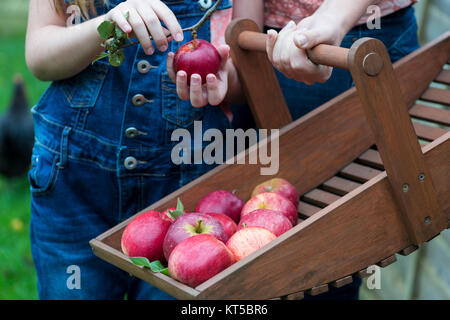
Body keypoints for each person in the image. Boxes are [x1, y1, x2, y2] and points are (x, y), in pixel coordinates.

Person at [168, 0, 421, 299]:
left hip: (359, 33)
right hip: (272, 43)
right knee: (261, 273)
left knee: (329, 257)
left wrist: (331, 18)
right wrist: (237, 69)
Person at [25, 0, 236, 300]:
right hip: (75, 184)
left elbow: (239, 67)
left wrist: (224, 75)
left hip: (183, 185)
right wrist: (107, 28)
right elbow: (39, 56)